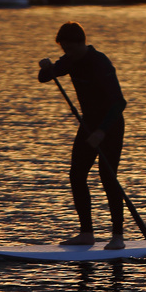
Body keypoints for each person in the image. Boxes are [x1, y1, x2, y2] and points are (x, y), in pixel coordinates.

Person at [38, 22, 127, 248]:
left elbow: (119, 103)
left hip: (110, 124)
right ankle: (87, 233)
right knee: (76, 175)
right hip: (88, 124)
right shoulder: (70, 59)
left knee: (107, 178)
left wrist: (101, 131)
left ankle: (118, 237)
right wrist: (46, 68)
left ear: (80, 42)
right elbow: (45, 77)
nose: (66, 54)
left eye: (69, 48)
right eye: (63, 49)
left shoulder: (99, 62)